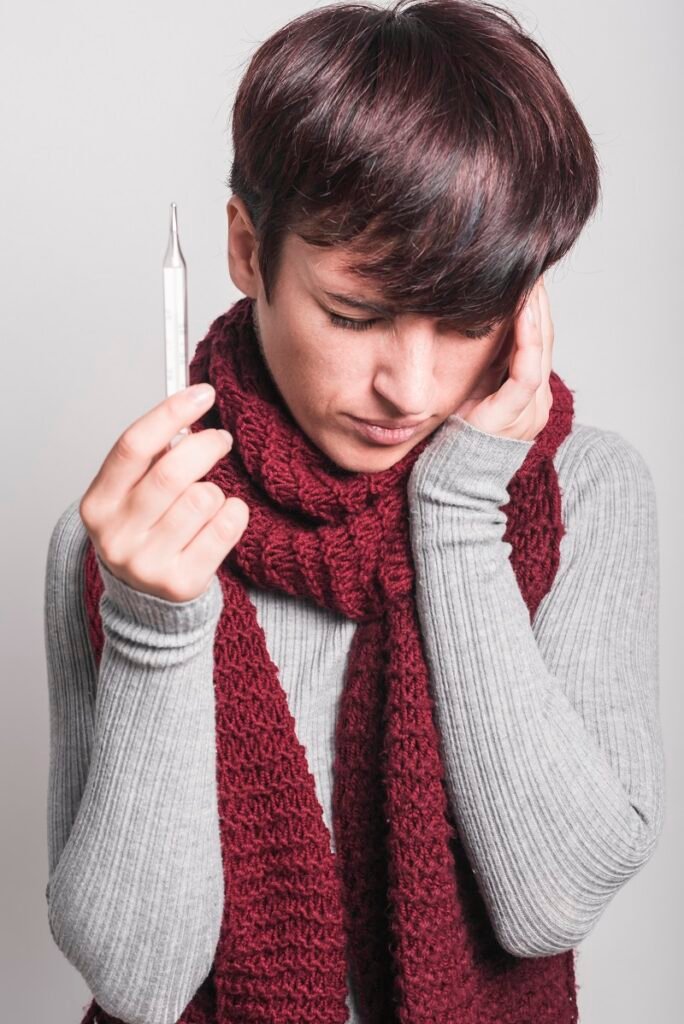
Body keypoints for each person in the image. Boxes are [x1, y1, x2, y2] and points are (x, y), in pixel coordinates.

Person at [44, 2, 666, 1023]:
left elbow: (551, 898)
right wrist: (156, 626)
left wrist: (460, 508)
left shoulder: (585, 491)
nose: (410, 388)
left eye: (466, 321)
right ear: (249, 250)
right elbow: (143, 983)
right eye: (353, 315)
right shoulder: (128, 539)